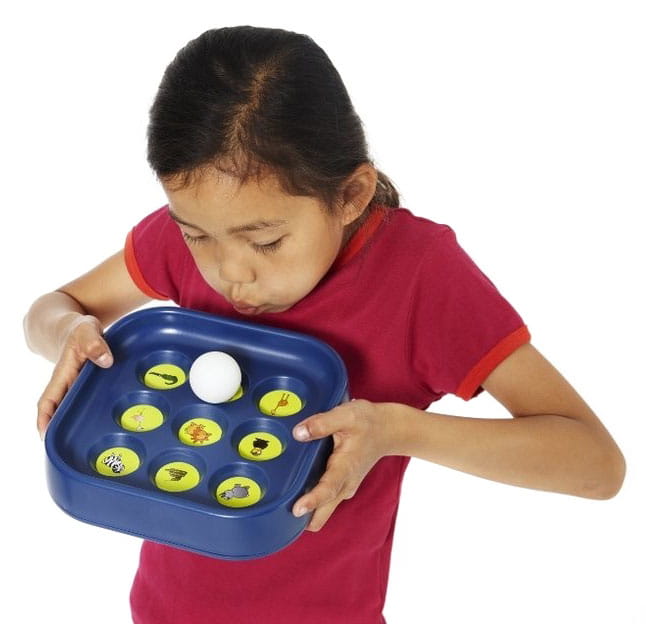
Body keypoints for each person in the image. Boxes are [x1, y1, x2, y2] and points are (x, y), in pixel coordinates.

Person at [23, 25, 625, 624]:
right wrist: (68, 334)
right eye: (196, 235)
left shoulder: (420, 276)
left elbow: (596, 465)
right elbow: (52, 307)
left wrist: (398, 430)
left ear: (351, 194)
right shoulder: (202, 232)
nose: (230, 273)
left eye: (266, 241)